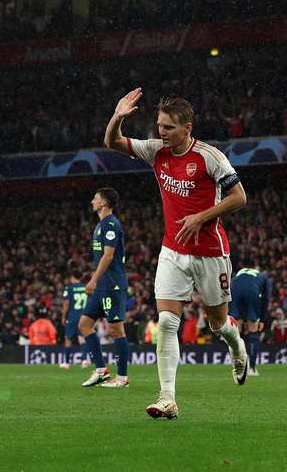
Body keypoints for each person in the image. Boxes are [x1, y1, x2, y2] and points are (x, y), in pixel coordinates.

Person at [104, 90, 248, 419]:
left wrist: (201, 216)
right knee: (168, 322)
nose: (160, 132)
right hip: (172, 250)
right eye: (159, 126)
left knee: (217, 323)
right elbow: (112, 142)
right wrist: (117, 117)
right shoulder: (156, 152)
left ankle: (235, 342)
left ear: (187, 127)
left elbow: (239, 196)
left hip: (210, 252)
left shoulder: (210, 157)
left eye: (168, 127)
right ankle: (167, 397)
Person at [80, 188, 130, 388]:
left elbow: (108, 256)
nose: (92, 200)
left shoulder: (111, 225)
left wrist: (92, 279)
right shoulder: (100, 225)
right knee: (84, 324)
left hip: (112, 285)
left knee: (116, 330)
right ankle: (101, 370)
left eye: (96, 198)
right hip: (102, 287)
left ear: (104, 203)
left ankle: (122, 377)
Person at [231, 265, 271, 376]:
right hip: (252, 292)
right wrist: (262, 319)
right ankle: (252, 368)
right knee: (253, 330)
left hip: (235, 290)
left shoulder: (238, 274)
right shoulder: (264, 278)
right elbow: (266, 299)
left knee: (236, 333)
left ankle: (239, 367)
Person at [60, 269, 89, 370]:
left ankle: (67, 363)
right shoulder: (85, 287)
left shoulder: (69, 288)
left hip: (72, 316)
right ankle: (84, 360)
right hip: (83, 316)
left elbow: (66, 303)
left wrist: (63, 316)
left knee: (68, 338)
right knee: (82, 338)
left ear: (72, 277)